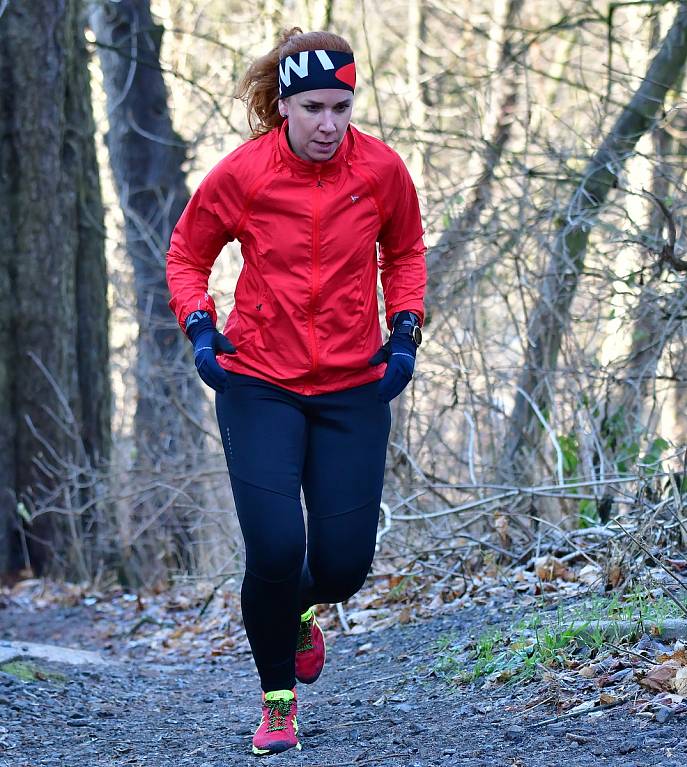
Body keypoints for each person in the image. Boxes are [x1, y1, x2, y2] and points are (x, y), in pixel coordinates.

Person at [165, 27, 426, 756]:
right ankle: (277, 700)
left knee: (343, 564)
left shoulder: (380, 170)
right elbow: (188, 251)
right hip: (258, 383)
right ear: (284, 105)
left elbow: (404, 248)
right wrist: (200, 326)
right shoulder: (244, 174)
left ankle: (304, 608)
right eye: (313, 107)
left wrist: (404, 329)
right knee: (276, 547)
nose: (329, 124)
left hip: (352, 384)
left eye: (342, 106)